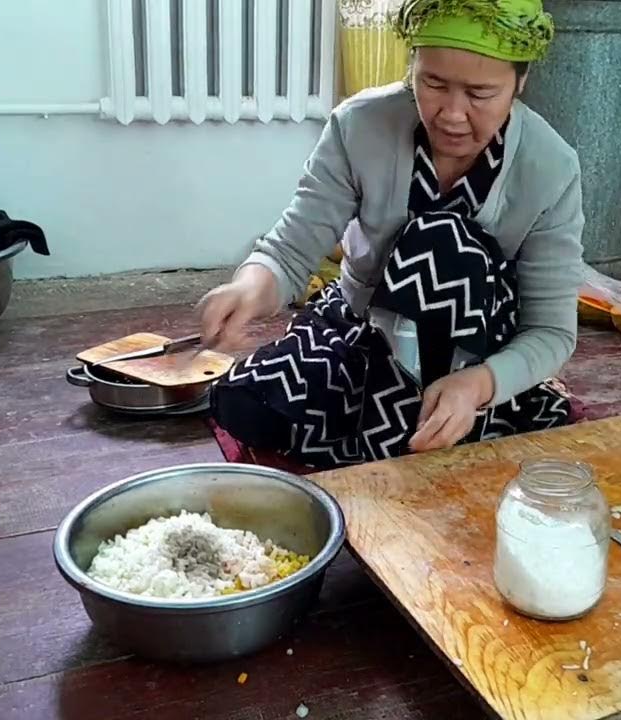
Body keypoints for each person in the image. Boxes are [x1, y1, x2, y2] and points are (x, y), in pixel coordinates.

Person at [198, 0, 585, 470]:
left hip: (479, 350)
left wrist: (480, 384)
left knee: (442, 240)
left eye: (480, 93)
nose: (452, 115)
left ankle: (426, 412)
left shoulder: (550, 167)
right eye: (433, 83)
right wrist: (248, 289)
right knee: (247, 402)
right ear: (412, 66)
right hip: (365, 329)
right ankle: (398, 418)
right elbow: (291, 248)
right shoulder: (359, 126)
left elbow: (550, 331)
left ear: (520, 82)